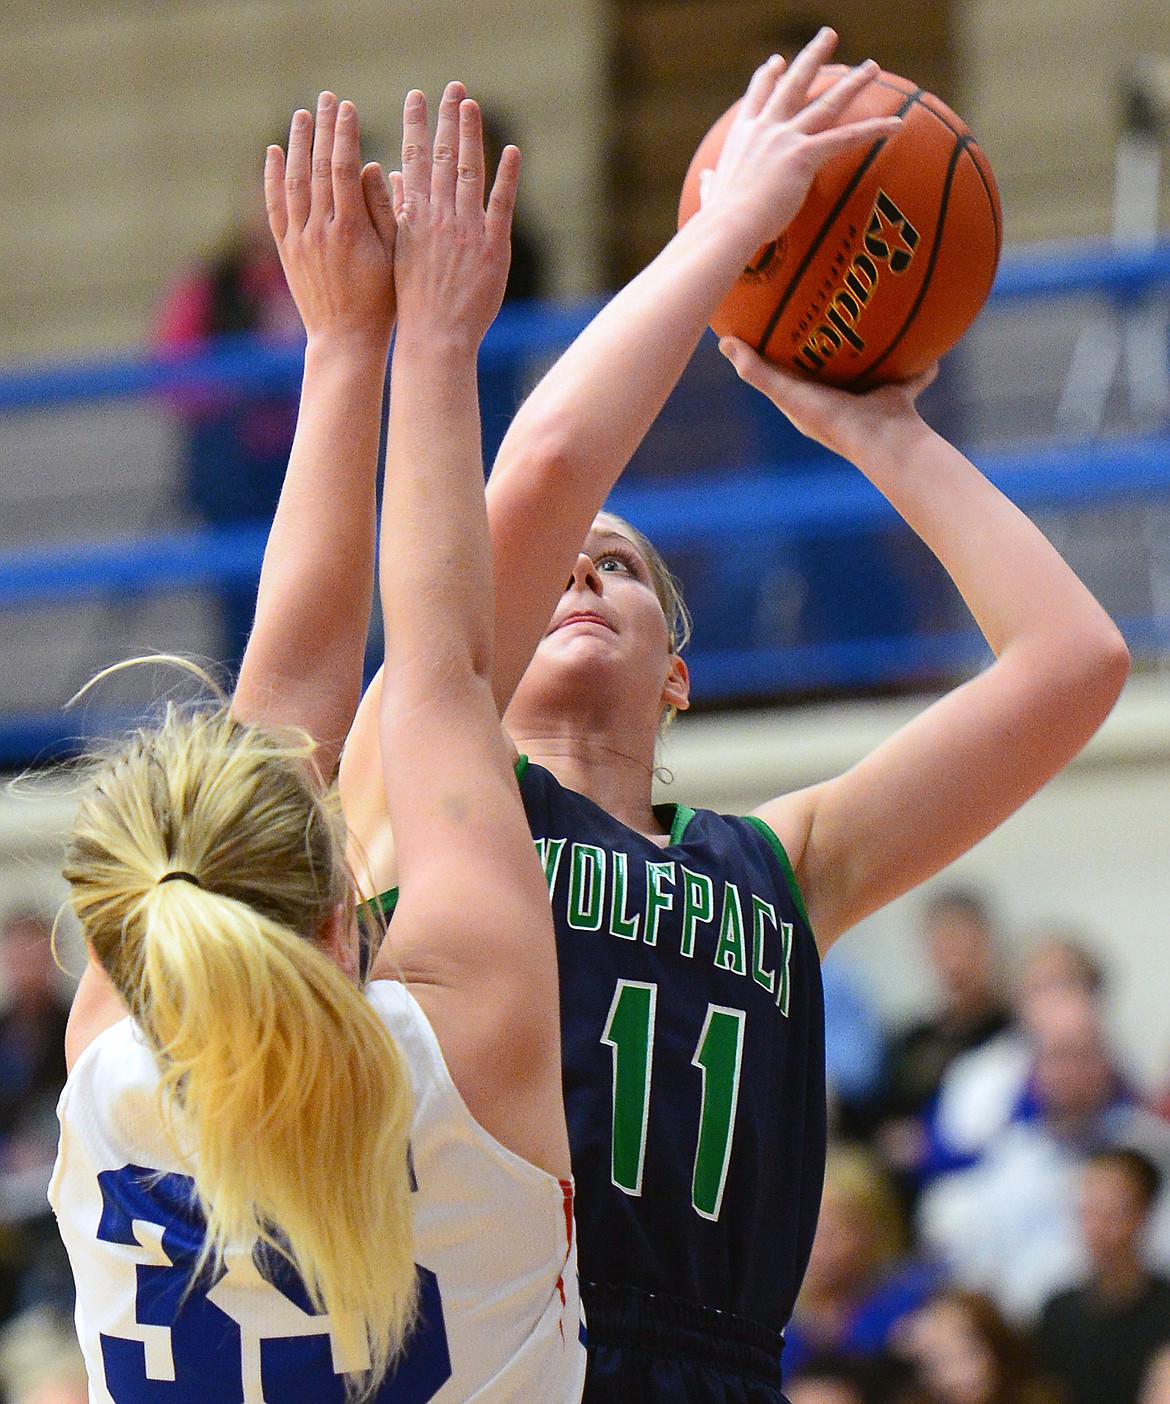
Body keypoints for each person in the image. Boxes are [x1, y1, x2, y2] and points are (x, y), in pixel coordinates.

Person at [339, 28, 1131, 1402]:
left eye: (625, 568)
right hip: (486, 1347)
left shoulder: (776, 864)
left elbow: (1071, 662)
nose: (580, 568)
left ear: (676, 674)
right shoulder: (425, 772)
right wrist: (731, 236)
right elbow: (537, 475)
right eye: (560, 566)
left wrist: (876, 429)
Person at [48, 86, 585, 1401]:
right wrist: (376, 338)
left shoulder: (116, 1076)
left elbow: (430, 671)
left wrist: (396, 343)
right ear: (349, 908)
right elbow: (415, 682)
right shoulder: (450, 1054)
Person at [1036, 1146, 1170, 1404]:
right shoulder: (1058, 1312)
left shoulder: (1165, 1311)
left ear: (1144, 1213)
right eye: (1087, 1212)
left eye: (1110, 1213)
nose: (1095, 1228)